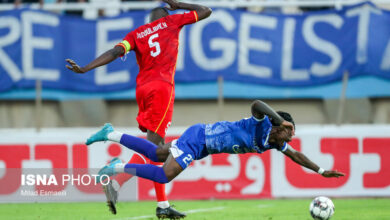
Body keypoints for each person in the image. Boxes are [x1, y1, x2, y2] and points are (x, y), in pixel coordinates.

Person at [65, 0, 212, 218]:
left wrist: (87, 67)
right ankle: (116, 170)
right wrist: (177, 4)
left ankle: (163, 206)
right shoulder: (172, 21)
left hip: (143, 89)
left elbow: (115, 52)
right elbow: (206, 11)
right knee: (155, 148)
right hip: (162, 88)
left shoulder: (138, 33)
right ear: (164, 14)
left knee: (157, 147)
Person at [86, 100, 345, 191]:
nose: (289, 140)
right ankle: (117, 166)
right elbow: (256, 103)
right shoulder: (262, 124)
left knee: (156, 153)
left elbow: (296, 156)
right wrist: (277, 119)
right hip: (199, 138)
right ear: (278, 127)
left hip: (202, 145)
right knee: (164, 176)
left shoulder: (272, 143)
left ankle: (111, 133)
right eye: (287, 135)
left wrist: (321, 171)